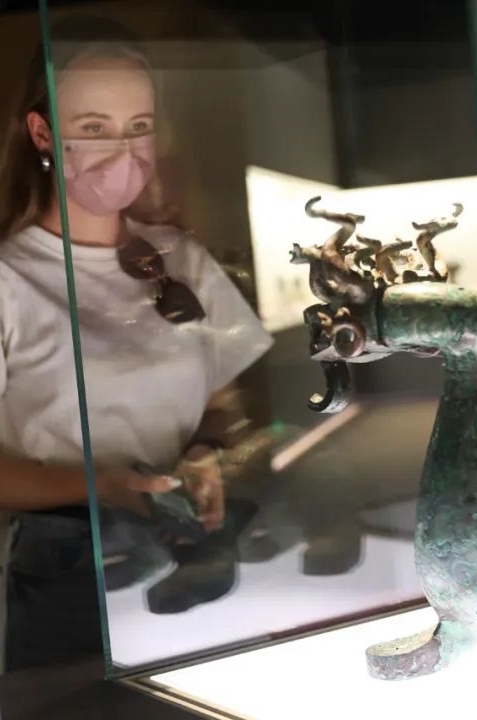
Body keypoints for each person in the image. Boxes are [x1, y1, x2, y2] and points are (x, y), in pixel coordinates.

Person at [0, 19, 272, 671]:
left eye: (138, 125)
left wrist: (205, 456)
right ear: (43, 132)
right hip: (65, 580)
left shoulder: (182, 258)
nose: (121, 149)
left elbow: (222, 405)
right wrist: (109, 486)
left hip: (191, 556)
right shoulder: (9, 277)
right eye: (94, 126)